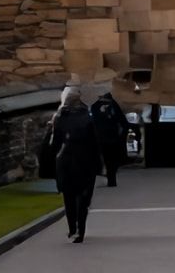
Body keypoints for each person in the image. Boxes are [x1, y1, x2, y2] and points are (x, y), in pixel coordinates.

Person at [49, 86, 103, 243]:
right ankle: (80, 229)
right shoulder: (87, 117)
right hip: (85, 162)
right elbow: (95, 143)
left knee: (69, 197)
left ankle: (72, 227)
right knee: (83, 198)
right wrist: (98, 165)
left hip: (66, 162)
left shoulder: (59, 118)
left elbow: (55, 145)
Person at [90, 91, 130, 187]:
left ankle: (100, 175)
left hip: (99, 137)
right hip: (112, 137)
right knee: (112, 160)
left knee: (99, 158)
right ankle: (111, 180)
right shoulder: (113, 105)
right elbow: (123, 122)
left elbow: (92, 122)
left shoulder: (95, 106)